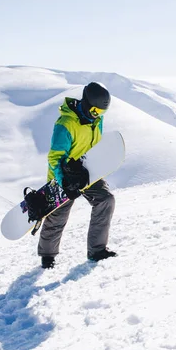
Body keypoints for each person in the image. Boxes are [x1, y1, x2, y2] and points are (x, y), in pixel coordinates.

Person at [38, 82, 117, 269]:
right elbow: (55, 157)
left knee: (106, 200)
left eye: (102, 112)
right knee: (57, 216)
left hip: (87, 171)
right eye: (96, 110)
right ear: (87, 104)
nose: (98, 115)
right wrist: (63, 180)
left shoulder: (97, 120)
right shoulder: (65, 124)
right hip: (64, 176)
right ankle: (47, 256)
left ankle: (97, 251)